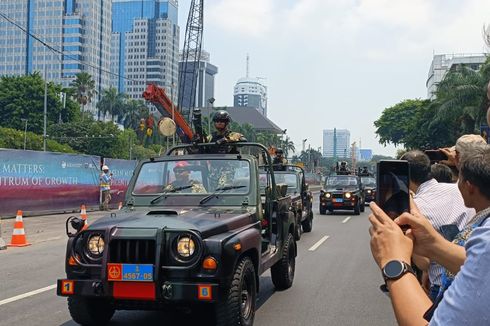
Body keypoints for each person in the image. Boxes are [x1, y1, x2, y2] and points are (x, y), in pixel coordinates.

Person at [368, 145, 490, 325]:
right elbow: (477, 265)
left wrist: (393, 262)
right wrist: (433, 244)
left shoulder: (485, 240)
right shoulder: (454, 194)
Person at [400, 150, 474, 301]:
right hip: (474, 276)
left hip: (442, 286)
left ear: (405, 177)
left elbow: (424, 262)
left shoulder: (414, 211)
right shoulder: (459, 189)